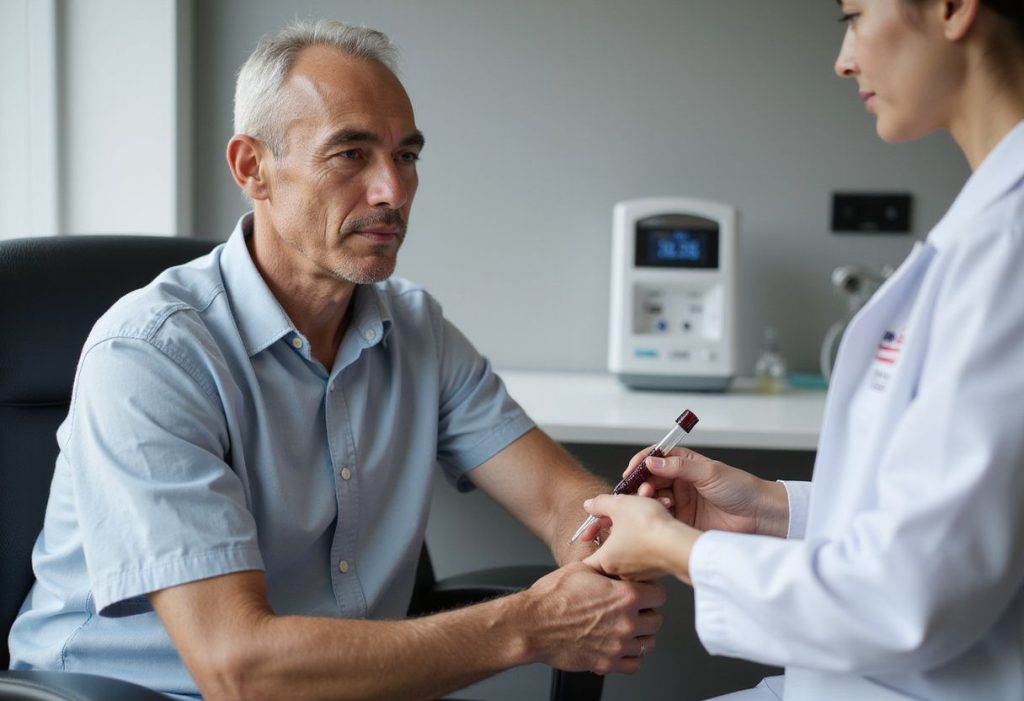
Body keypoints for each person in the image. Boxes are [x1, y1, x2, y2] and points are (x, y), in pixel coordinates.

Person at [8, 20, 666, 700]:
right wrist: (530, 624)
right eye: (351, 154)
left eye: (406, 156)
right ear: (251, 167)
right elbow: (237, 666)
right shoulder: (151, 354)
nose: (394, 190)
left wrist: (604, 543)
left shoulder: (416, 329)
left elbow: (559, 499)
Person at [580, 0, 1024, 699]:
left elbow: (906, 598)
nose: (844, 59)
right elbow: (955, 516)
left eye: (853, 16)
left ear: (952, 8)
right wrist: (767, 508)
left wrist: (676, 548)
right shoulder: (983, 230)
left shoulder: (1007, 252)